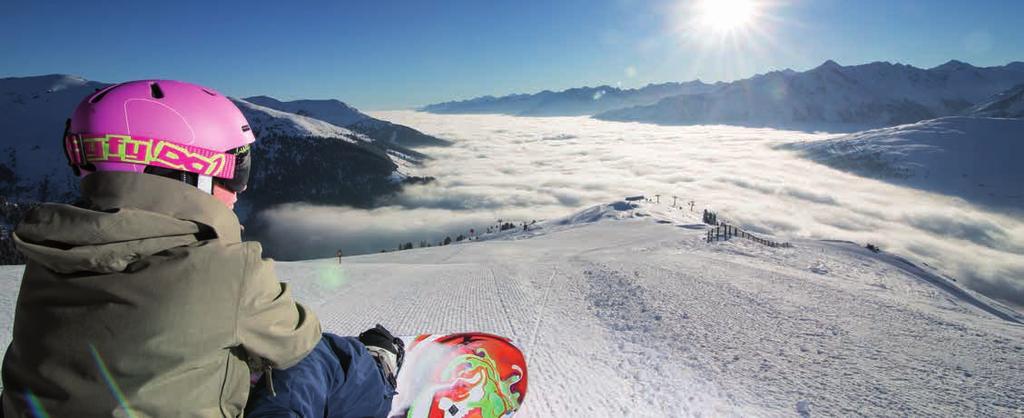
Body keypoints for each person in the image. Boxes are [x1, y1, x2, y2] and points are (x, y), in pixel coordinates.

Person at [1, 80, 402, 417]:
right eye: (236, 169)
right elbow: (298, 338)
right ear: (183, 169)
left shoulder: (47, 255)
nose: (239, 189)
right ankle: (379, 370)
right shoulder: (226, 267)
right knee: (315, 359)